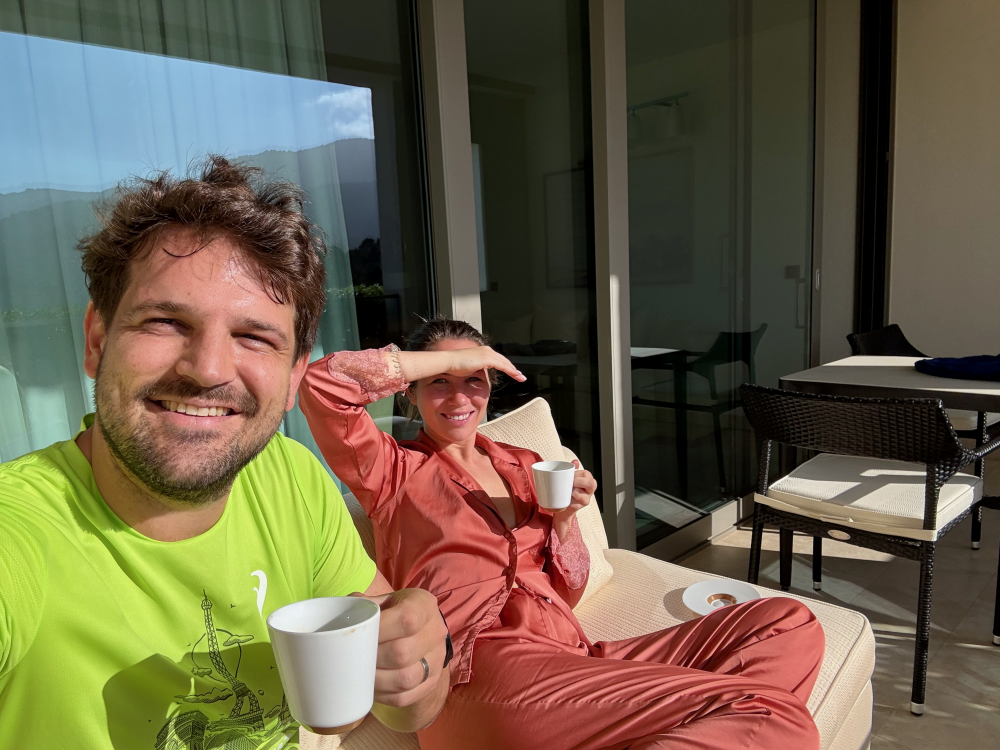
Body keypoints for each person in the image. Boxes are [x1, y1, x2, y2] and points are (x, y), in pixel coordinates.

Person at [0, 157, 449, 749]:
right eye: (165, 321)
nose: (208, 369)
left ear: (294, 376)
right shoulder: (20, 531)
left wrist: (420, 665)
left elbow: (398, 707)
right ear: (97, 341)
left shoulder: (290, 477)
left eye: (253, 337)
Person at [298, 317, 826, 750]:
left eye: (474, 379)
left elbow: (567, 591)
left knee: (787, 623)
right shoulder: (392, 471)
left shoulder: (524, 463)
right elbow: (322, 387)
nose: (459, 394)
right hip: (475, 671)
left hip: (571, 661)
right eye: (440, 379)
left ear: (490, 389)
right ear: (411, 394)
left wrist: (565, 519)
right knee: (772, 714)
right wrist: (455, 359)